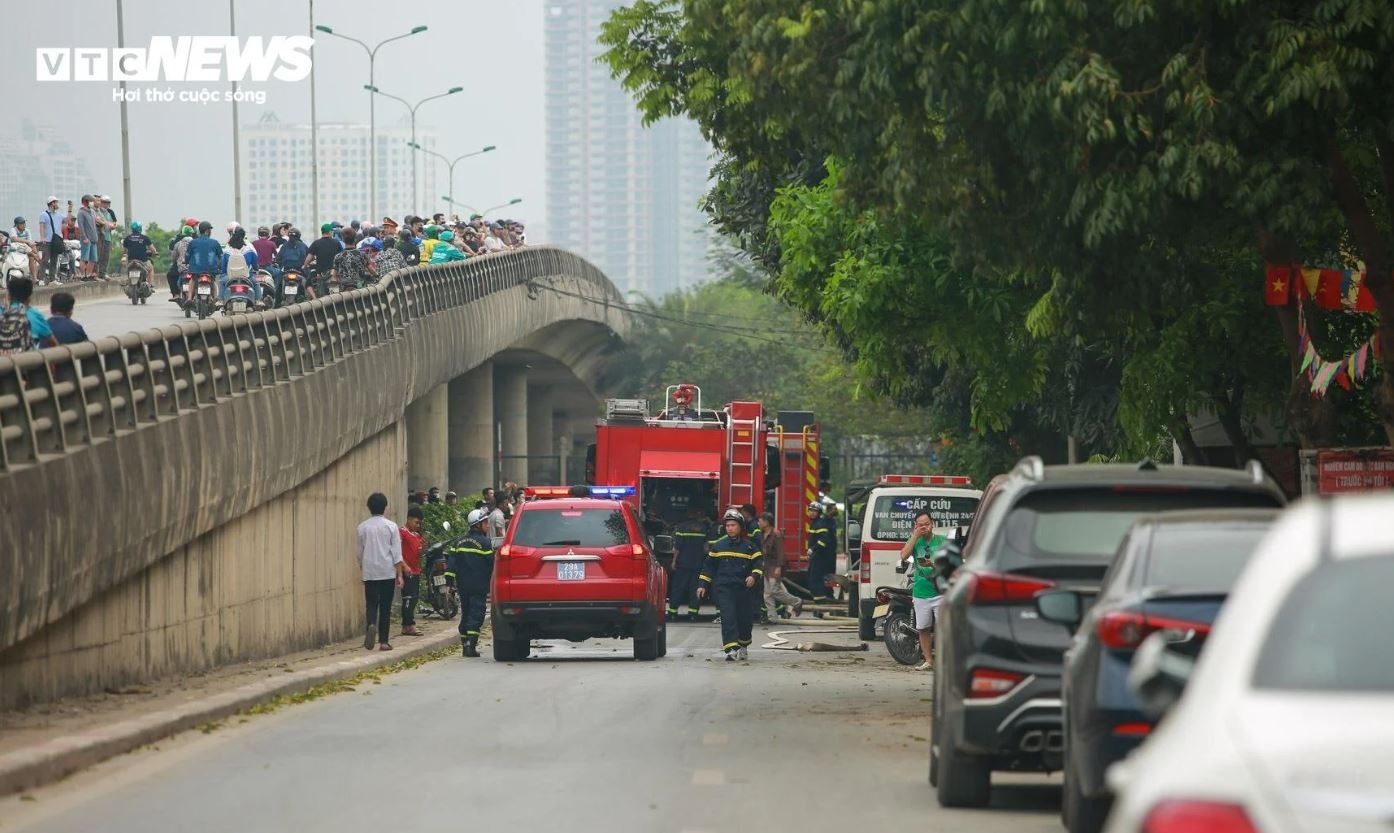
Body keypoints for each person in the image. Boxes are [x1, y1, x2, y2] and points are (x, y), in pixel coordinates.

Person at [697, 507, 764, 661]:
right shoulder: (718, 546)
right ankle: (731, 650)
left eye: (733, 525)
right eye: (727, 525)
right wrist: (702, 585)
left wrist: (753, 576)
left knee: (745, 620)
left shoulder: (750, 547)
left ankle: (743, 645)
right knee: (728, 618)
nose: (730, 528)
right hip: (724, 589)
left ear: (740, 527)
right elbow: (708, 567)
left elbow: (758, 564)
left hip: (744, 590)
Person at [356, 492, 405, 651]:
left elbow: (359, 553)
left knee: (371, 603)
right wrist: (400, 575)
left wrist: (362, 567)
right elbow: (397, 553)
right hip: (387, 571)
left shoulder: (362, 527)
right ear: (385, 507)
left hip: (370, 572)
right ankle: (384, 641)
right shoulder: (391, 526)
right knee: (385, 606)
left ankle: (371, 624)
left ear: (369, 507)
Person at [899, 510, 944, 671]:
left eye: (927, 524)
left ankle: (943, 660)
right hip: (921, 592)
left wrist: (933, 565)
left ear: (933, 524)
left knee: (943, 627)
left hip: (940, 592)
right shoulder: (915, 541)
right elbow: (903, 556)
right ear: (915, 526)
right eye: (920, 525)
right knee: (923, 627)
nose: (924, 527)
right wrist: (914, 536)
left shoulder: (942, 541)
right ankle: (928, 660)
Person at [449, 507, 495, 657]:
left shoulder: (458, 542)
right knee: (476, 614)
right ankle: (470, 646)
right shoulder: (485, 543)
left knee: (466, 613)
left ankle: (465, 645)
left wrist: (449, 584)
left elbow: (451, 565)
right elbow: (492, 564)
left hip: (463, 586)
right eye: (485, 522)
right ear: (478, 524)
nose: (487, 525)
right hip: (479, 586)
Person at [758, 511, 803, 622]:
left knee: (774, 590)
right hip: (767, 567)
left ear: (766, 522)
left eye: (760, 521)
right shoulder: (762, 534)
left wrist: (779, 567)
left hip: (774, 567)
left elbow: (780, 553)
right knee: (767, 594)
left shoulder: (776, 534)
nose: (758, 523)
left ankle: (797, 602)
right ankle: (772, 618)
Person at [668, 506, 710, 621]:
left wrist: (674, 561)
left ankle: (673, 613)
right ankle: (693, 614)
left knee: (678, 588)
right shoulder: (703, 528)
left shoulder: (681, 527)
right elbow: (706, 547)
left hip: (683, 564)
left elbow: (678, 546)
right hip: (698, 564)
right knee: (695, 589)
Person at [1, 276, 58, 353]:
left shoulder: (2, 312)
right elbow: (52, 342)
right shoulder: (34, 314)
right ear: (29, 297)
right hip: (27, 358)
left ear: (9, 295)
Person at [399, 505, 425, 637]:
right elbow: (397, 552)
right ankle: (409, 624)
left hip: (415, 570)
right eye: (416, 522)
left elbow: (419, 553)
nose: (418, 525)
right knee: (408, 598)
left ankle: (406, 625)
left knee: (414, 598)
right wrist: (404, 566)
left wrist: (423, 548)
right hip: (407, 571)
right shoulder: (402, 532)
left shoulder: (416, 535)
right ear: (409, 519)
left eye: (419, 523)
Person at [805, 501, 838, 602]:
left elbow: (824, 540)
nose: (812, 513)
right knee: (816, 577)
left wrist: (813, 549)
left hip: (821, 556)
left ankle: (820, 599)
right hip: (817, 555)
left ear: (819, 512)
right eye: (810, 510)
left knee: (816, 577)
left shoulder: (821, 524)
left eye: (815, 511)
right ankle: (823, 597)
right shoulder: (814, 523)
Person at [220, 226, 258, 302]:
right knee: (256, 283)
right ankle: (258, 300)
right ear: (244, 236)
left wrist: (223, 274)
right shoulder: (249, 249)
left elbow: (223, 267)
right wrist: (256, 269)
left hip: (230, 277)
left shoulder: (227, 250)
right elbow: (254, 263)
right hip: (246, 277)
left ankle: (220, 300)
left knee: (222, 282)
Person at [305, 222, 342, 296]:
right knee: (335, 296)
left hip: (321, 275)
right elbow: (341, 256)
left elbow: (308, 258)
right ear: (330, 232)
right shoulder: (336, 243)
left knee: (321, 297)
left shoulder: (316, 243)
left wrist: (305, 265)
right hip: (333, 274)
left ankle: (315, 299)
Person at [38, 197, 65, 285]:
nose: (57, 204)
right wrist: (42, 238)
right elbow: (42, 227)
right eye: (56, 202)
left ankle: (52, 279)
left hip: (56, 241)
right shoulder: (44, 214)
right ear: (52, 203)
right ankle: (41, 279)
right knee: (45, 260)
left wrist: (70, 209)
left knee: (54, 260)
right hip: (47, 241)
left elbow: (67, 220)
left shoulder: (59, 215)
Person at [121, 221, 158, 286]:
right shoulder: (145, 238)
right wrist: (155, 253)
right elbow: (153, 250)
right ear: (140, 228)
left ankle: (127, 281)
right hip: (143, 262)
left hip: (131, 261)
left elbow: (124, 251)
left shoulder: (127, 238)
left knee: (126, 267)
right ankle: (150, 285)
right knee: (151, 268)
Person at [76, 196, 99, 280]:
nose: (91, 202)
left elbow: (95, 223)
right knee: (84, 258)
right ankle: (83, 275)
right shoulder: (81, 212)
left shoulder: (92, 212)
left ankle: (89, 275)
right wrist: (84, 237)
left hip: (94, 239)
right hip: (86, 239)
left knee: (93, 259)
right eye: (89, 201)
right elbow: (81, 226)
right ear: (85, 202)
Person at [96, 196, 118, 279]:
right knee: (98, 255)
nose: (105, 204)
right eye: (104, 202)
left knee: (106, 256)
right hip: (99, 236)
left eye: (107, 203)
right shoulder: (97, 211)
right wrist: (107, 224)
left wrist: (107, 224)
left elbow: (114, 224)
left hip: (108, 237)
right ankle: (97, 272)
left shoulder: (110, 212)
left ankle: (103, 272)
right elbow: (99, 222)